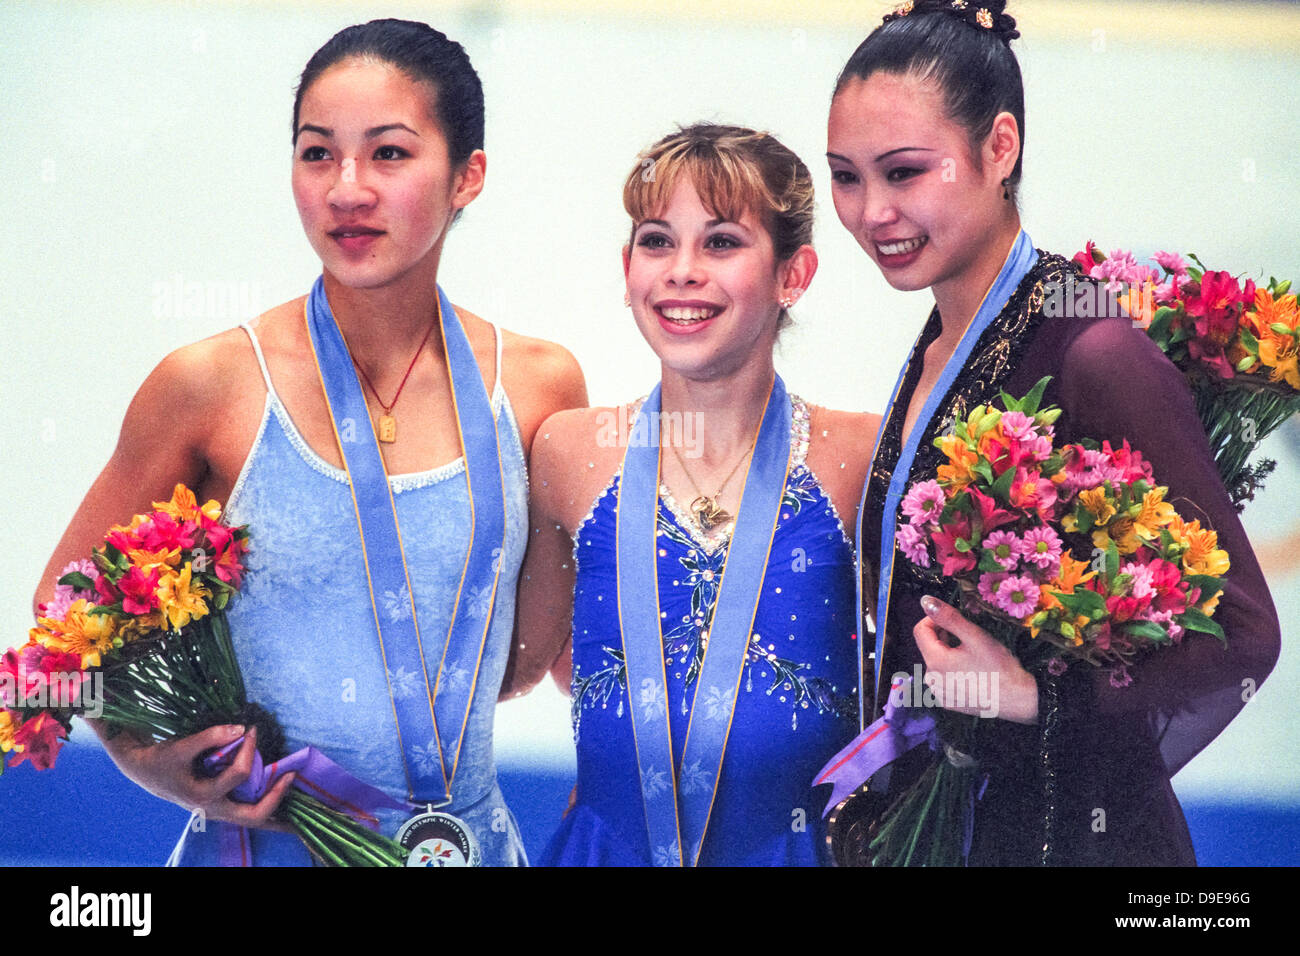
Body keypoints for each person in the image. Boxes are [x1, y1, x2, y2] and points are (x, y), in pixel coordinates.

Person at [32, 18, 587, 866]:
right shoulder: (207, 385)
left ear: (468, 175)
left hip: (466, 844)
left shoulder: (544, 387)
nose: (347, 189)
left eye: (390, 154)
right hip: (263, 848)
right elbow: (55, 629)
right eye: (318, 153)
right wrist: (147, 757)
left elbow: (526, 663)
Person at [824, 0, 1280, 865]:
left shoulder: (1094, 348)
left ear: (1001, 148)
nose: (872, 211)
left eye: (905, 172)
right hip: (959, 825)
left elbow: (1245, 636)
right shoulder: (940, 345)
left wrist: (1034, 697)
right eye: (847, 177)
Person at [502, 123, 879, 865]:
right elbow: (517, 665)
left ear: (793, 274)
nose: (681, 270)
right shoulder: (570, 452)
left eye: (721, 243)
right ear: (627, 266)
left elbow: (915, 691)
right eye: (656, 240)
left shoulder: (861, 457)